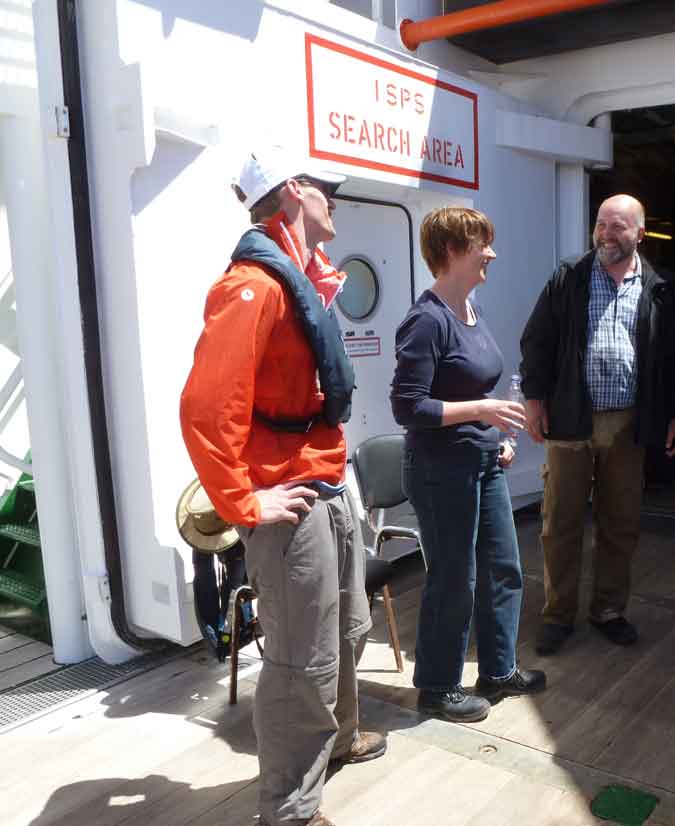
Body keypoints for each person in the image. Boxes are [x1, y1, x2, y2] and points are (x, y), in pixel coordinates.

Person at [180, 147, 385, 826]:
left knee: (348, 629)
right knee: (302, 661)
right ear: (295, 191)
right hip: (287, 497)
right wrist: (243, 502)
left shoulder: (302, 275)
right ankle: (290, 810)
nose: (336, 200)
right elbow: (207, 407)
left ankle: (341, 739)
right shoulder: (254, 286)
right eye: (328, 189)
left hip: (325, 480)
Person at [391, 207, 547, 723]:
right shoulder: (427, 320)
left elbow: (472, 391)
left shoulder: (470, 312)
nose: (492, 254)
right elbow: (408, 407)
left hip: (482, 461)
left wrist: (493, 435)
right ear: (453, 250)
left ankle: (498, 670)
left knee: (503, 568)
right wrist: (482, 411)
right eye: (483, 244)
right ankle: (437, 686)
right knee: (454, 578)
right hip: (441, 470)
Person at [520, 194, 675, 656]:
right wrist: (534, 400)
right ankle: (558, 614)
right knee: (561, 521)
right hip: (570, 417)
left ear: (640, 234)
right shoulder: (569, 275)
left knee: (621, 521)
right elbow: (537, 340)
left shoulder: (659, 287)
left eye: (617, 227)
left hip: (628, 423)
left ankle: (609, 610)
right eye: (601, 224)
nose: (605, 234)